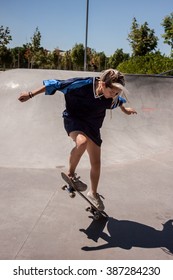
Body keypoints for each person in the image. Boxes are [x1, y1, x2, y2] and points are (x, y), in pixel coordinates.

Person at [18, 68, 137, 211]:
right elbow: (55, 84)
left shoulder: (112, 97)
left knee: (96, 163)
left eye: (116, 93)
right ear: (103, 84)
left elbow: (119, 102)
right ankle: (71, 175)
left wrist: (126, 110)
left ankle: (93, 193)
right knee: (82, 142)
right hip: (74, 120)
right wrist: (30, 94)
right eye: (112, 92)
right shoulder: (82, 84)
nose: (113, 95)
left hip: (93, 126)